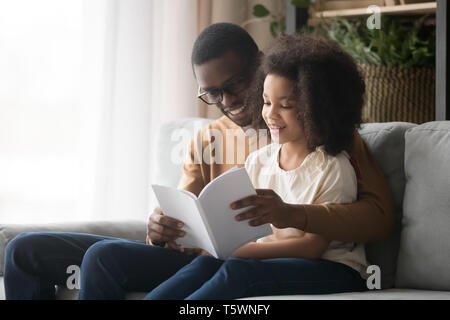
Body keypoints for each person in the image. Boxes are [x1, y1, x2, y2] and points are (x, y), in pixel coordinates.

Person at [3, 23, 393, 300]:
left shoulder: (324, 138)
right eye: (212, 94)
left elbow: (377, 216)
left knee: (115, 259)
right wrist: (160, 228)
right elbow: (182, 225)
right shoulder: (206, 139)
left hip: (242, 259)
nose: (227, 102)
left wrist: (290, 214)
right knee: (23, 250)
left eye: (234, 86)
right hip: (204, 258)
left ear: (260, 67)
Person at [143, 34, 371, 299]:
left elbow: (311, 248)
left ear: (317, 109)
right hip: (271, 261)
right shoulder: (258, 161)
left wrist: (239, 253)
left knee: (237, 271)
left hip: (334, 269)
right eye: (265, 102)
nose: (270, 115)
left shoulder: (332, 167)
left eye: (285, 105)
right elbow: (251, 234)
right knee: (206, 263)